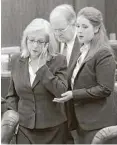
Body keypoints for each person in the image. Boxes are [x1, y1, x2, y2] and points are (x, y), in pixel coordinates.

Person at [53, 7, 116, 144]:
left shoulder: (103, 53)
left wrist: (74, 94)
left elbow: (105, 88)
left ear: (96, 28)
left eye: (85, 26)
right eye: (78, 26)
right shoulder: (83, 51)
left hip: (97, 123)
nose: (79, 30)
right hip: (81, 121)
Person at [5, 18, 68, 144]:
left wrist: (42, 69)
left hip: (53, 129)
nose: (34, 45)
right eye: (31, 40)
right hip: (24, 128)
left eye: (40, 42)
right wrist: (13, 119)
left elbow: (61, 92)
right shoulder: (17, 60)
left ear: (47, 44)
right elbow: (12, 95)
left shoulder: (59, 60)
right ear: (26, 40)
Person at [50, 4, 79, 143]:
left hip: (81, 115)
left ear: (74, 23)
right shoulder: (55, 44)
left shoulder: (85, 44)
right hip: (60, 116)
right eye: (54, 30)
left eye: (61, 30)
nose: (57, 34)